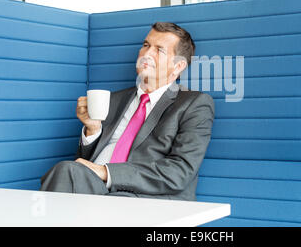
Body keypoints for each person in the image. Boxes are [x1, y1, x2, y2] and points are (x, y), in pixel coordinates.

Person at [40, 22, 215, 201]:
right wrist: (92, 131)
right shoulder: (113, 100)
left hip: (146, 197)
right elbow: (83, 163)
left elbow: (180, 171)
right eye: (146, 45)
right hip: (92, 189)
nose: (146, 54)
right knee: (65, 173)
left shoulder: (194, 104)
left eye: (159, 50)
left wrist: (107, 172)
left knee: (64, 173)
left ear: (178, 67)